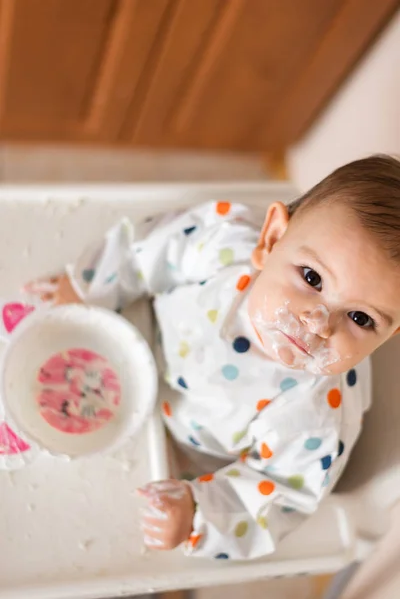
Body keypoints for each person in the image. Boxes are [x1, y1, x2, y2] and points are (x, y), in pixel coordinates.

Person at [26, 155, 400, 560]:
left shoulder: (316, 417)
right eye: (312, 278)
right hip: (129, 343)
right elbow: (148, 248)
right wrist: (90, 286)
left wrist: (197, 514)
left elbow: (279, 495)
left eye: (361, 318)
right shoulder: (223, 242)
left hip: (181, 446)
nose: (319, 324)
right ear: (271, 239)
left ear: (390, 335)